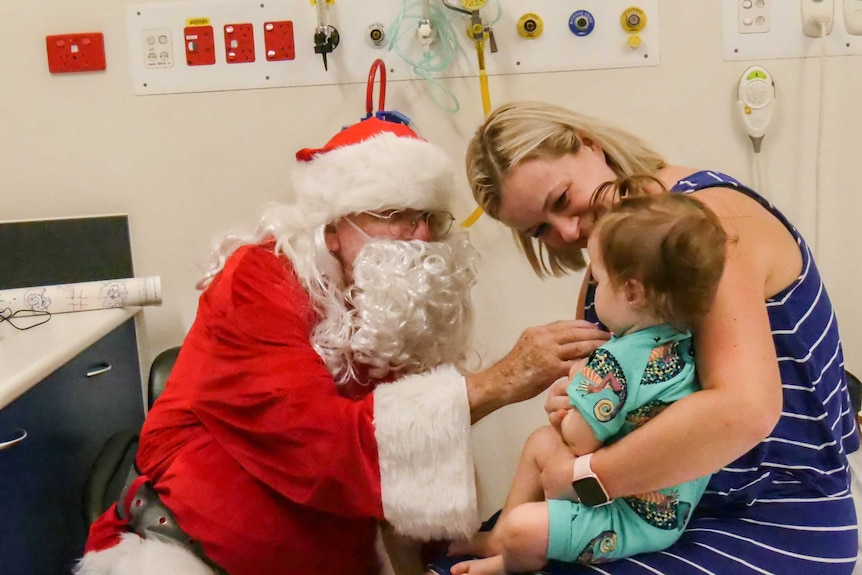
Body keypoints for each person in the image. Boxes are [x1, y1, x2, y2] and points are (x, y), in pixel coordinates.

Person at [74, 115, 611, 575]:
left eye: (429, 218)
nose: (420, 236)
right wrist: (500, 381)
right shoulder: (257, 279)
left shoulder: (393, 309)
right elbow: (322, 447)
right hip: (187, 557)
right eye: (396, 214)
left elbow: (407, 480)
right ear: (334, 227)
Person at [432, 100, 860, 574]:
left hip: (773, 511)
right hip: (662, 502)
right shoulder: (610, 268)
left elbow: (744, 409)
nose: (568, 231)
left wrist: (588, 478)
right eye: (540, 231)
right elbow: (618, 403)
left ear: (588, 145)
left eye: (561, 200)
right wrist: (575, 408)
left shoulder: (695, 230)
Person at [446, 192, 727, 574]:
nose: (594, 287)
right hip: (661, 503)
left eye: (599, 277)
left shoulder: (619, 359)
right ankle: (497, 542)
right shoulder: (680, 337)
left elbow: (581, 440)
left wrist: (572, 399)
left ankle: (507, 561)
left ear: (631, 292)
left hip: (631, 515)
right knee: (540, 445)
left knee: (522, 526)